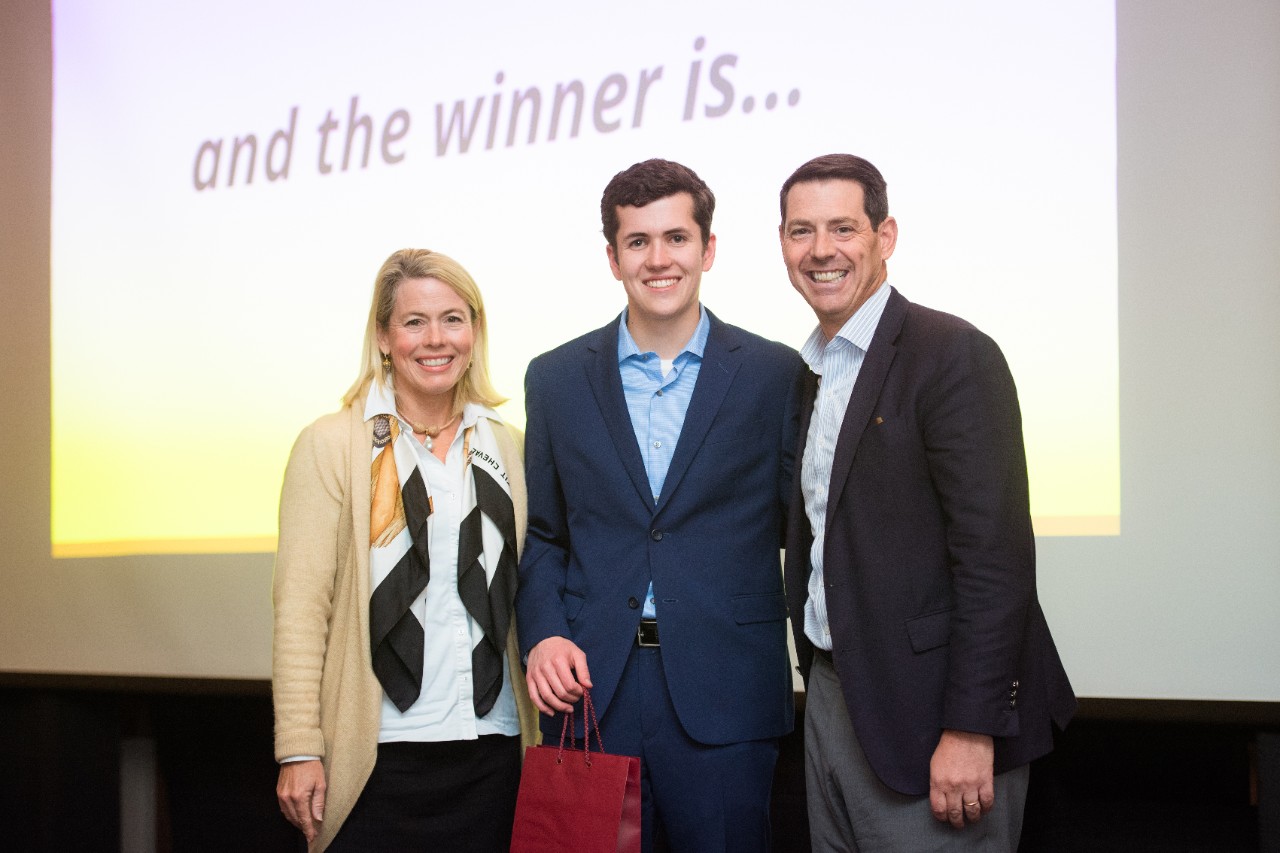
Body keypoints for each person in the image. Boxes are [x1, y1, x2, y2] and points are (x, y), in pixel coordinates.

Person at [777, 154, 1077, 851]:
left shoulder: (952, 355)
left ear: (886, 236)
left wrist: (972, 728)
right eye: (801, 231)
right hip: (833, 693)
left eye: (843, 227)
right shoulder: (810, 373)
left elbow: (994, 560)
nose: (821, 250)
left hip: (936, 717)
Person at [515, 159, 804, 852]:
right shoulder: (555, 378)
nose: (659, 258)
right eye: (638, 241)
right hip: (595, 691)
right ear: (613, 258)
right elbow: (547, 534)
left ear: (708, 249)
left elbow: (811, 526)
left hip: (728, 689)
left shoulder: (777, 374)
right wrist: (544, 632)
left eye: (676, 237)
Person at [272, 249, 537, 851]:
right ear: (384, 337)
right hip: (376, 759)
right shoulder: (332, 445)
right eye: (415, 322)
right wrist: (298, 746)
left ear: (474, 332)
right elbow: (301, 609)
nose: (436, 339)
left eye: (453, 319)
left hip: (491, 751)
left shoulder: (509, 447)